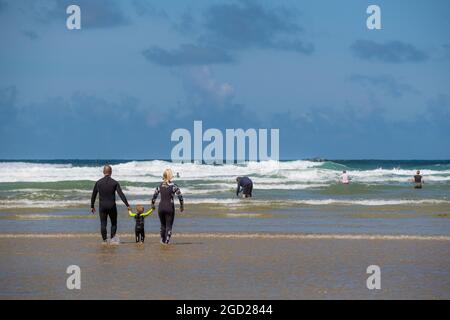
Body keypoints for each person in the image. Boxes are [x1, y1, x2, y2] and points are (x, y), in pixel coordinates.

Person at [91, 165, 131, 244]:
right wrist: (127, 204)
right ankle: (112, 240)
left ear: (103, 172)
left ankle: (104, 241)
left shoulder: (98, 183)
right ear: (111, 172)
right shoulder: (115, 183)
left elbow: (94, 195)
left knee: (103, 223)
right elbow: (121, 194)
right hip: (112, 206)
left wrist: (92, 206)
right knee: (113, 223)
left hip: (102, 207)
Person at [152, 168, 184, 245]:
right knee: (168, 226)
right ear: (170, 176)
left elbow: (154, 196)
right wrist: (181, 205)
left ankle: (162, 241)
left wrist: (152, 205)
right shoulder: (174, 186)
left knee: (163, 226)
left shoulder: (159, 186)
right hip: (170, 207)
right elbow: (180, 196)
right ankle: (166, 243)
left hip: (161, 207)